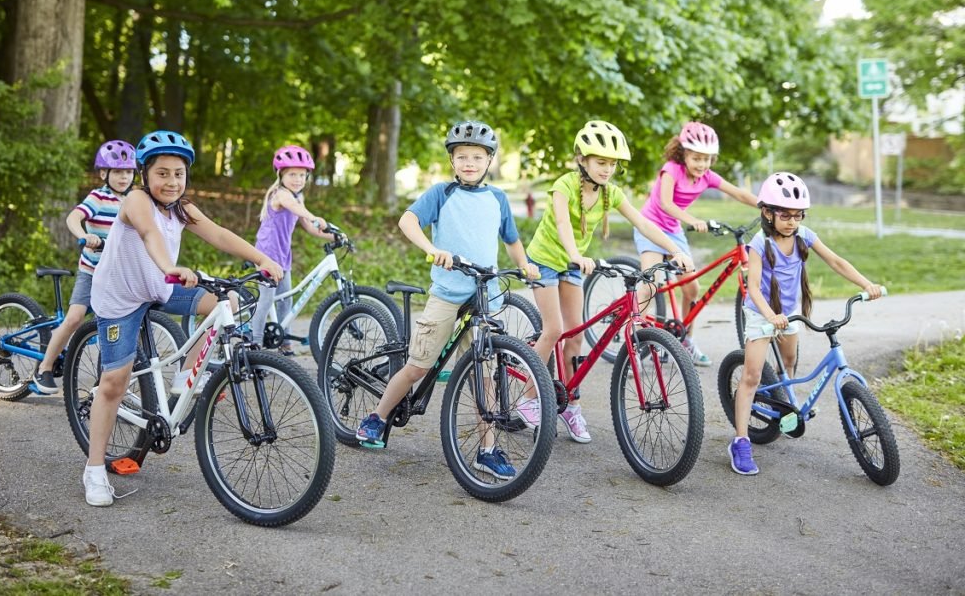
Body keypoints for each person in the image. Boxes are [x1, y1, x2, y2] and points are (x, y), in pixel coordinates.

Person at [82, 130, 283, 507]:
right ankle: (94, 469)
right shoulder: (136, 202)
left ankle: (187, 376)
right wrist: (170, 266)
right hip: (121, 297)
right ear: (145, 175)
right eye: (162, 173)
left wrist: (262, 259)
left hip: (160, 287)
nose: (172, 181)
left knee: (230, 299)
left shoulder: (182, 208)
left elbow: (220, 234)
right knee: (114, 382)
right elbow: (148, 234)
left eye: (179, 173)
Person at [355, 120, 539, 480]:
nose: (469, 162)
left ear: (489, 161)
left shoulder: (497, 199)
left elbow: (512, 240)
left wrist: (525, 265)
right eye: (462, 157)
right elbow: (408, 222)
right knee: (419, 366)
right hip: (448, 293)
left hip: (484, 295)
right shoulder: (441, 193)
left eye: (476, 157)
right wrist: (432, 248)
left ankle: (486, 450)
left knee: (484, 376)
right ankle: (376, 418)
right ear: (452, 161)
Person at [517, 120, 694, 443]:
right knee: (553, 329)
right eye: (601, 162)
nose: (607, 169)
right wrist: (574, 254)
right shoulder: (564, 186)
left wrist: (674, 249)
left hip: (571, 266)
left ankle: (571, 407)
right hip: (544, 261)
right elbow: (561, 223)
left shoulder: (611, 193)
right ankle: (527, 398)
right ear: (582, 159)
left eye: (612, 164)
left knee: (575, 337)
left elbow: (643, 222)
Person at [730, 172, 882, 476]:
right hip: (762, 313)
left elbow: (836, 261)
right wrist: (770, 316)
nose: (792, 222)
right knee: (751, 376)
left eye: (798, 215)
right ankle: (741, 441)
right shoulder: (759, 244)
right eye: (785, 215)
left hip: (788, 313)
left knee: (789, 361)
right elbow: (755, 287)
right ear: (767, 212)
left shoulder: (804, 236)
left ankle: (787, 405)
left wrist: (868, 284)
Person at [635, 121, 759, 367]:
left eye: (707, 159)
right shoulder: (671, 170)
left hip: (673, 231)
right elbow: (666, 204)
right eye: (696, 158)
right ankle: (634, 344)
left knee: (692, 289)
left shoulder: (708, 177)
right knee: (650, 285)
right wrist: (693, 220)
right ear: (684, 154)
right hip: (649, 227)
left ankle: (685, 341)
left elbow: (739, 193)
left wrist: (767, 206)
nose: (702, 164)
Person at [32, 141, 137, 395]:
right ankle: (44, 368)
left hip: (117, 275)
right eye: (118, 172)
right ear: (104, 174)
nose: (124, 177)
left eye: (129, 172)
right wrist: (84, 235)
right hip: (92, 270)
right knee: (75, 318)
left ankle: (109, 379)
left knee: (114, 325)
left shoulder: (133, 201)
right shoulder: (98, 197)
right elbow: (73, 217)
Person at [249, 145, 333, 353]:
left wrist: (335, 235)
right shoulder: (280, 194)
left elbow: (308, 226)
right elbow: (296, 209)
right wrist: (314, 217)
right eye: (292, 174)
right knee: (267, 301)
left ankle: (283, 341)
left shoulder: (299, 197)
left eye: (302, 175)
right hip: (266, 254)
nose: (298, 179)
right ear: (281, 175)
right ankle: (253, 348)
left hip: (283, 255)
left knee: (286, 299)